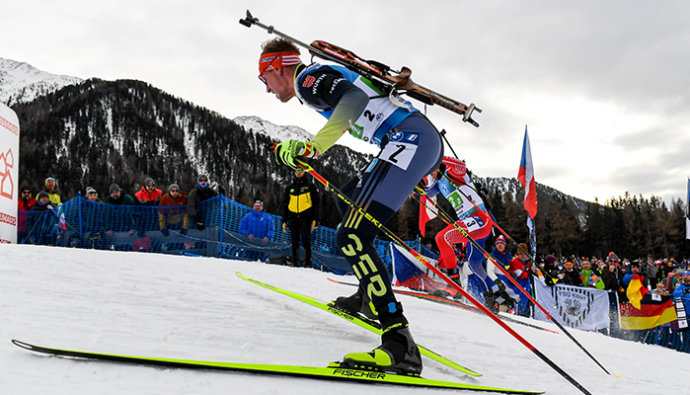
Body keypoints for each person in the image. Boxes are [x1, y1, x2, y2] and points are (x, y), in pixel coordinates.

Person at [259, 37, 444, 375]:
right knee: (348, 197)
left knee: (352, 235)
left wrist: (313, 148)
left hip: (409, 137)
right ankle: (367, 297)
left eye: (264, 79)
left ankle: (398, 341)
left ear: (277, 67)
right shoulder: (313, 81)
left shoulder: (306, 79)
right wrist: (305, 155)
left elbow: (355, 99)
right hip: (410, 138)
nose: (266, 89)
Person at [281, 170, 320, 268]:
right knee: (294, 240)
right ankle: (296, 262)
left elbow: (316, 203)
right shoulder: (290, 187)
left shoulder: (310, 186)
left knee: (306, 240)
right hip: (293, 217)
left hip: (306, 217)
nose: (298, 172)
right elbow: (285, 204)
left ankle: (307, 263)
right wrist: (284, 220)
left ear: (304, 172)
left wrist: (316, 218)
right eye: (296, 171)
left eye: (301, 171)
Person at [508, 243, 533, 316]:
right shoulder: (514, 262)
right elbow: (521, 275)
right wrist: (530, 272)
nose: (523, 256)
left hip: (526, 288)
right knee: (519, 304)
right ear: (517, 254)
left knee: (526, 306)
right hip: (517, 288)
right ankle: (515, 313)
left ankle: (525, 316)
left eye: (524, 254)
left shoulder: (527, 262)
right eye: (521, 254)